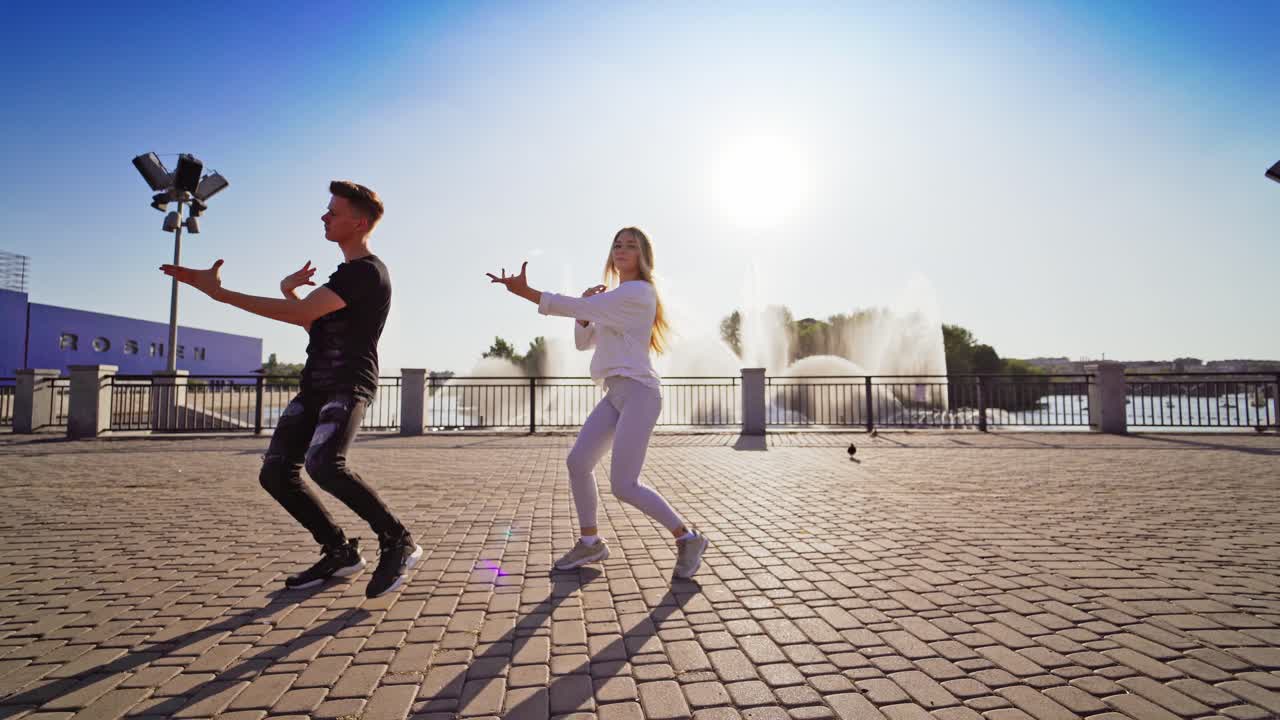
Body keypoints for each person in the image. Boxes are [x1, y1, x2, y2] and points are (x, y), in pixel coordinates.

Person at [160, 180, 421, 599]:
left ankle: (397, 539)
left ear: (358, 222)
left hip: (347, 384)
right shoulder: (345, 276)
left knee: (323, 465)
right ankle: (339, 551)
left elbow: (298, 313)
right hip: (315, 385)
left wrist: (220, 294)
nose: (324, 217)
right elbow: (309, 318)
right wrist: (288, 290)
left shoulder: (367, 272)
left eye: (332, 212)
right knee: (276, 473)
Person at [487, 227, 709, 579]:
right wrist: (586, 315)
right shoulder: (618, 296)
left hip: (639, 392)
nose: (622, 250)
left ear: (643, 256)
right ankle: (590, 543)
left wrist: (526, 292)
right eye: (617, 245)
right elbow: (583, 342)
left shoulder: (638, 292)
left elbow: (574, 306)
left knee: (624, 485)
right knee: (578, 462)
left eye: (630, 246)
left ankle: (687, 537)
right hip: (616, 392)